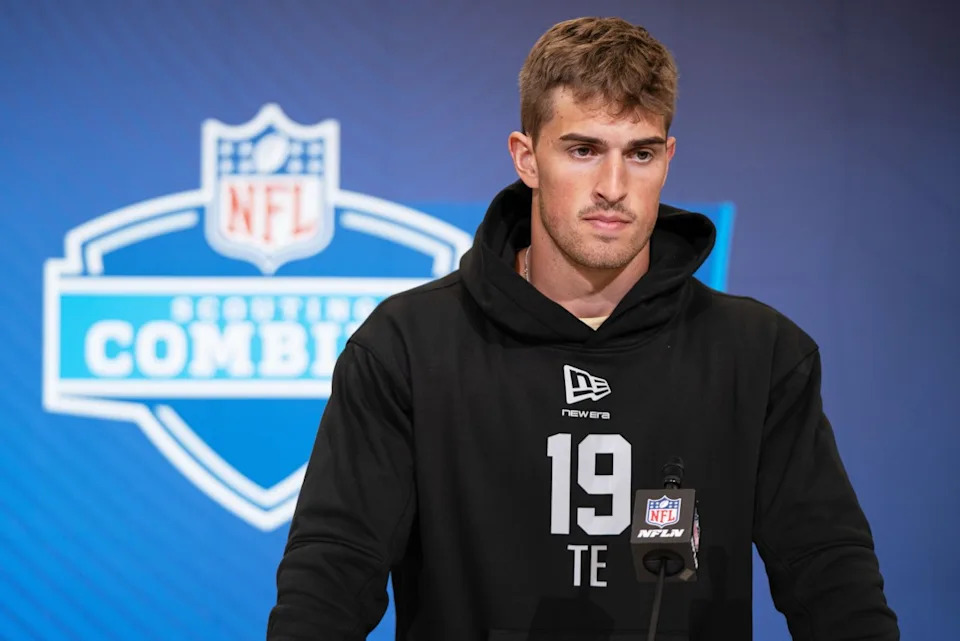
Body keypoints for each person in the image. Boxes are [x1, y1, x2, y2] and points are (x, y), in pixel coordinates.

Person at [268, 16, 899, 641]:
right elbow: (332, 573)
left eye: (640, 154)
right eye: (583, 150)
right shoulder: (407, 345)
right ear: (527, 158)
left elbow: (830, 576)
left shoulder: (759, 353)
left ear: (667, 160)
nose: (613, 188)